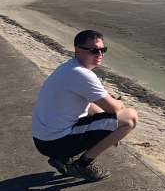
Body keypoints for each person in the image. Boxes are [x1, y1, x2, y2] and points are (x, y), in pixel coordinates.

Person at [31, 29, 138, 181]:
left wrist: (108, 125)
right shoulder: (81, 74)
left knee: (99, 111)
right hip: (54, 142)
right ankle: (82, 165)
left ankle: (63, 158)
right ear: (78, 50)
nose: (100, 54)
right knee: (130, 118)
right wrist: (118, 108)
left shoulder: (68, 67)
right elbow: (115, 108)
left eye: (103, 50)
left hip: (44, 139)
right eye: (94, 50)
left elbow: (93, 107)